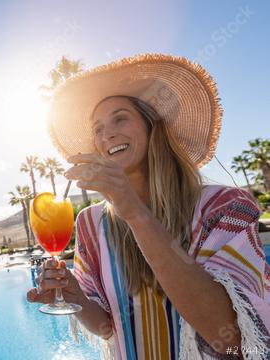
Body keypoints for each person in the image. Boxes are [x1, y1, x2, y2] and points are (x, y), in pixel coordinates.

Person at [26, 54, 270, 359]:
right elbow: (106, 328)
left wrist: (135, 213)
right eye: (97, 128)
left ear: (152, 126)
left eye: (120, 118)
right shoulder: (91, 223)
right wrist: (75, 296)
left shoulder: (223, 208)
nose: (106, 134)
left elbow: (233, 339)